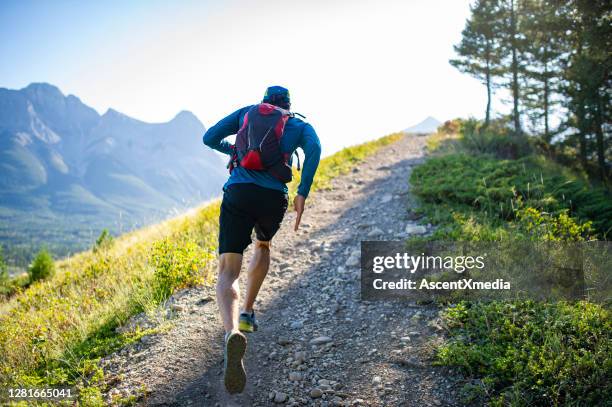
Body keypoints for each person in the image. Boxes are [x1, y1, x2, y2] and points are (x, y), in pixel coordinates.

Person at [203, 86, 321, 394]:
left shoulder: (246, 113)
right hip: (273, 198)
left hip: (239, 191)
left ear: (265, 103)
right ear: (287, 106)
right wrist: (302, 193)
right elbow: (315, 150)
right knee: (263, 245)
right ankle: (247, 312)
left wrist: (235, 152)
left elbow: (209, 137)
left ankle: (231, 334)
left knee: (228, 270)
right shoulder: (298, 125)